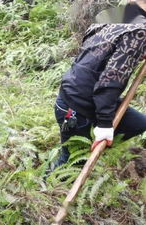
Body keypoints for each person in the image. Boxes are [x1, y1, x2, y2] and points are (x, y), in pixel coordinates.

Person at [53, 0, 146, 169]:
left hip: (75, 93)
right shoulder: (140, 31)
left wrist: (138, 51)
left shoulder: (115, 15)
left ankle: (89, 145)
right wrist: (104, 124)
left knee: (138, 123)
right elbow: (111, 79)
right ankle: (48, 188)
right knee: (70, 163)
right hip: (76, 107)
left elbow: (98, 52)